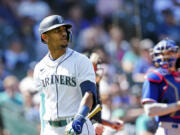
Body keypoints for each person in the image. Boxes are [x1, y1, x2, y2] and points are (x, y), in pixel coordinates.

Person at [33, 15, 97, 135]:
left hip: (78, 125)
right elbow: (43, 103)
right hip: (51, 129)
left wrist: (79, 118)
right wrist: (43, 131)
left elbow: (89, 94)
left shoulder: (81, 61)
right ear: (45, 37)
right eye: (58, 31)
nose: (64, 34)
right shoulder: (39, 68)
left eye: (65, 30)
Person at [141, 39, 180, 135]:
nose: (166, 57)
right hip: (168, 129)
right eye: (162, 54)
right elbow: (149, 110)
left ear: (177, 54)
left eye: (170, 53)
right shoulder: (154, 76)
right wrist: (177, 106)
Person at [89, 52, 123, 135]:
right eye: (95, 66)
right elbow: (78, 115)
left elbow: (96, 117)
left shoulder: (96, 84)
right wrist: (92, 125)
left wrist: (111, 124)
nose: (98, 69)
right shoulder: (84, 86)